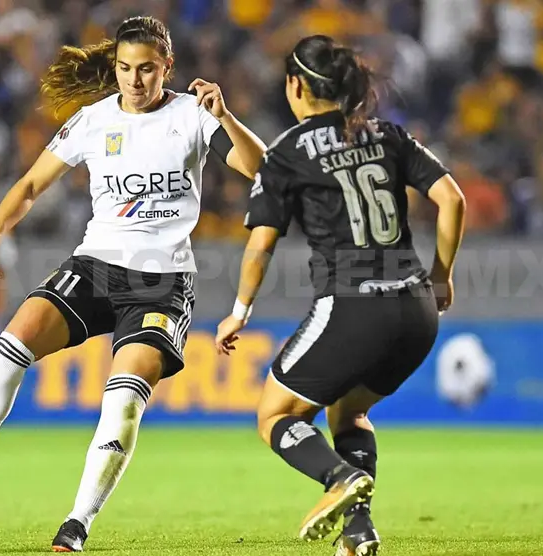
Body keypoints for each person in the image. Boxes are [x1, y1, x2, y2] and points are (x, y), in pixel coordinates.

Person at [0, 16, 266, 553]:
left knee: (123, 401)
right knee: (13, 341)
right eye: (125, 68)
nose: (135, 81)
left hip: (161, 283)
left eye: (147, 69)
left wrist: (226, 117)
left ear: (167, 67)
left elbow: (261, 170)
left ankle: (77, 522)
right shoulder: (93, 120)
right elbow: (31, 183)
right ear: (115, 67)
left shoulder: (192, 115)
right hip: (95, 265)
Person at [215, 35, 466, 556]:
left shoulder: (287, 152)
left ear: (295, 85)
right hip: (417, 309)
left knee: (275, 416)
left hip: (353, 303)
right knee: (349, 413)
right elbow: (452, 199)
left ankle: (339, 477)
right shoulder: (385, 133)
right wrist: (442, 276)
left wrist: (239, 311)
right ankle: (358, 532)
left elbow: (261, 245)